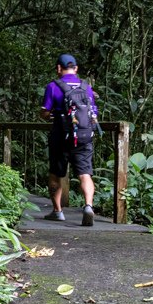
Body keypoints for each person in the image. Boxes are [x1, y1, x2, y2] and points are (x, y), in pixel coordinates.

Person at [40, 53, 98, 225]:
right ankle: (88, 205)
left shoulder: (53, 86)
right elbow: (93, 112)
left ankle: (58, 211)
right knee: (85, 173)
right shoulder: (86, 87)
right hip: (84, 136)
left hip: (61, 137)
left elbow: (45, 112)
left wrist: (46, 114)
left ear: (58, 68)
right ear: (76, 69)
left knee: (55, 174)